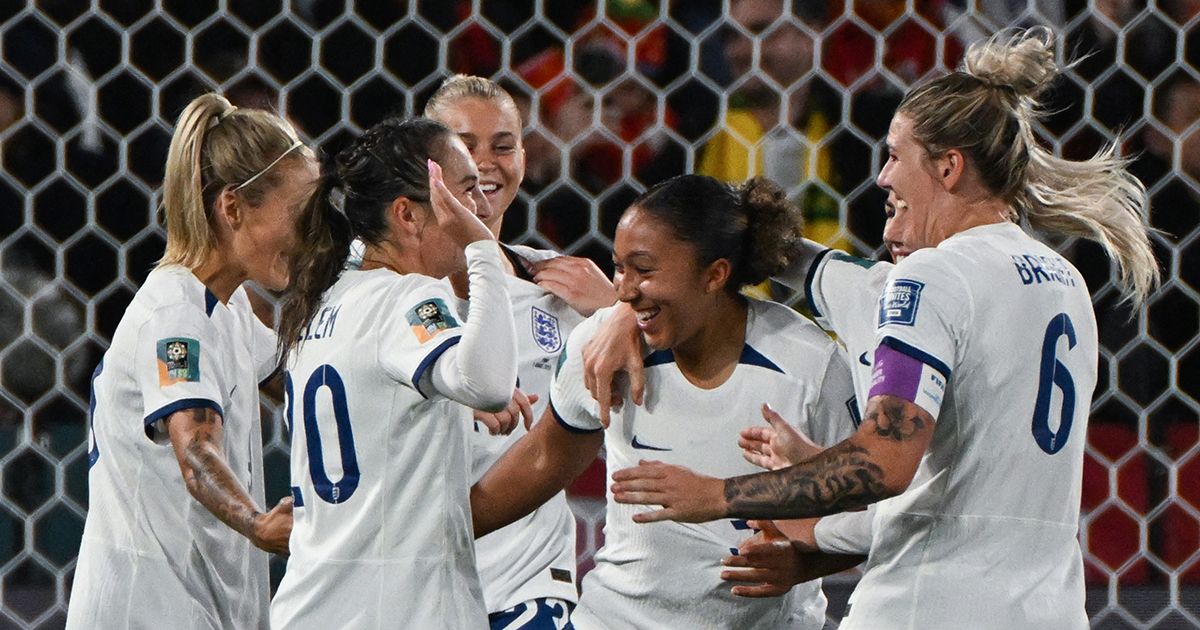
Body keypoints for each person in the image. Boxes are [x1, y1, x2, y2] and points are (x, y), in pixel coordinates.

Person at [605, 28, 1159, 629]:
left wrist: (716, 494)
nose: (882, 178)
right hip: (1047, 611)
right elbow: (942, 490)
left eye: (896, 155)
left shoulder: (931, 281)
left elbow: (882, 465)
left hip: (928, 608)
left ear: (948, 167)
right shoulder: (1060, 280)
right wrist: (627, 303)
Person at [471, 173, 857, 629]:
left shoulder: (809, 365)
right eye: (619, 268)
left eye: (645, 269)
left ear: (715, 274)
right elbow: (544, 457)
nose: (624, 290)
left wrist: (804, 566)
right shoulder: (603, 347)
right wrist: (424, 535)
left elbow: (869, 512)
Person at [67, 93, 315, 629]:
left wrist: (431, 382)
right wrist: (256, 524)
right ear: (232, 208)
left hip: (194, 605)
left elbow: (309, 380)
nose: (309, 234)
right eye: (299, 214)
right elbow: (196, 449)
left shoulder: (227, 311)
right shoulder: (174, 316)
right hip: (147, 608)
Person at [268, 117, 518, 629]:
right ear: (408, 214)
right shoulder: (408, 295)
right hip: (395, 611)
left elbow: (380, 408)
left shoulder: (322, 303)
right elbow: (489, 385)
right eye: (465, 192)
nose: (483, 209)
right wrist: (482, 252)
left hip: (312, 606)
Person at [423, 74, 615, 628]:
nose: (485, 162)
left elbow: (656, 389)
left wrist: (615, 314)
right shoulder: (390, 291)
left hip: (527, 588)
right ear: (428, 161)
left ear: (525, 158)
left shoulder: (558, 285)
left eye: (502, 145)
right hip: (415, 579)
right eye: (463, 145)